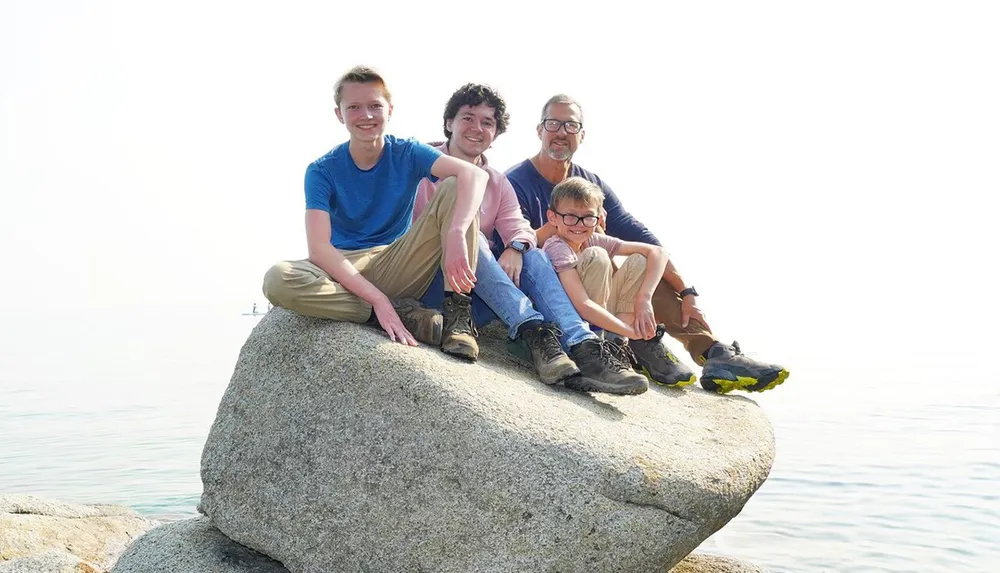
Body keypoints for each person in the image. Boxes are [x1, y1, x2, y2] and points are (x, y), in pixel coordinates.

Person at [506, 94, 789, 394]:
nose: (562, 132)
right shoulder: (517, 181)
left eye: (571, 125)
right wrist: (563, 226)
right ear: (539, 130)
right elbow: (516, 246)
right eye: (553, 124)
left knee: (639, 264)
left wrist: (686, 291)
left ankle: (712, 352)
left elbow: (642, 238)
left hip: (598, 291)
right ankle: (630, 343)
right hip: (556, 290)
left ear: (582, 135)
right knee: (598, 254)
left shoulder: (590, 185)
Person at [413, 83, 647, 395]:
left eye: (487, 122)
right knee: (473, 233)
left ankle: (583, 346)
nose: (476, 128)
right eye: (468, 118)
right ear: (449, 123)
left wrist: (516, 246)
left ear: (495, 134)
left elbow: (518, 226)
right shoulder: (417, 163)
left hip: (476, 301)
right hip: (429, 281)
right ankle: (533, 329)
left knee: (535, 255)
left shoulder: (496, 181)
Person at [261, 65, 487, 360]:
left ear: (389, 110)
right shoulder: (321, 170)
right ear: (339, 114)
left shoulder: (406, 152)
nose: (366, 116)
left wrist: (457, 230)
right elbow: (319, 249)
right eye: (354, 107)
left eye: (374, 106)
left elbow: (475, 175)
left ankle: (459, 318)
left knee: (457, 185)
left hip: (396, 261)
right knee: (277, 279)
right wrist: (379, 302)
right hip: (342, 267)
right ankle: (389, 314)